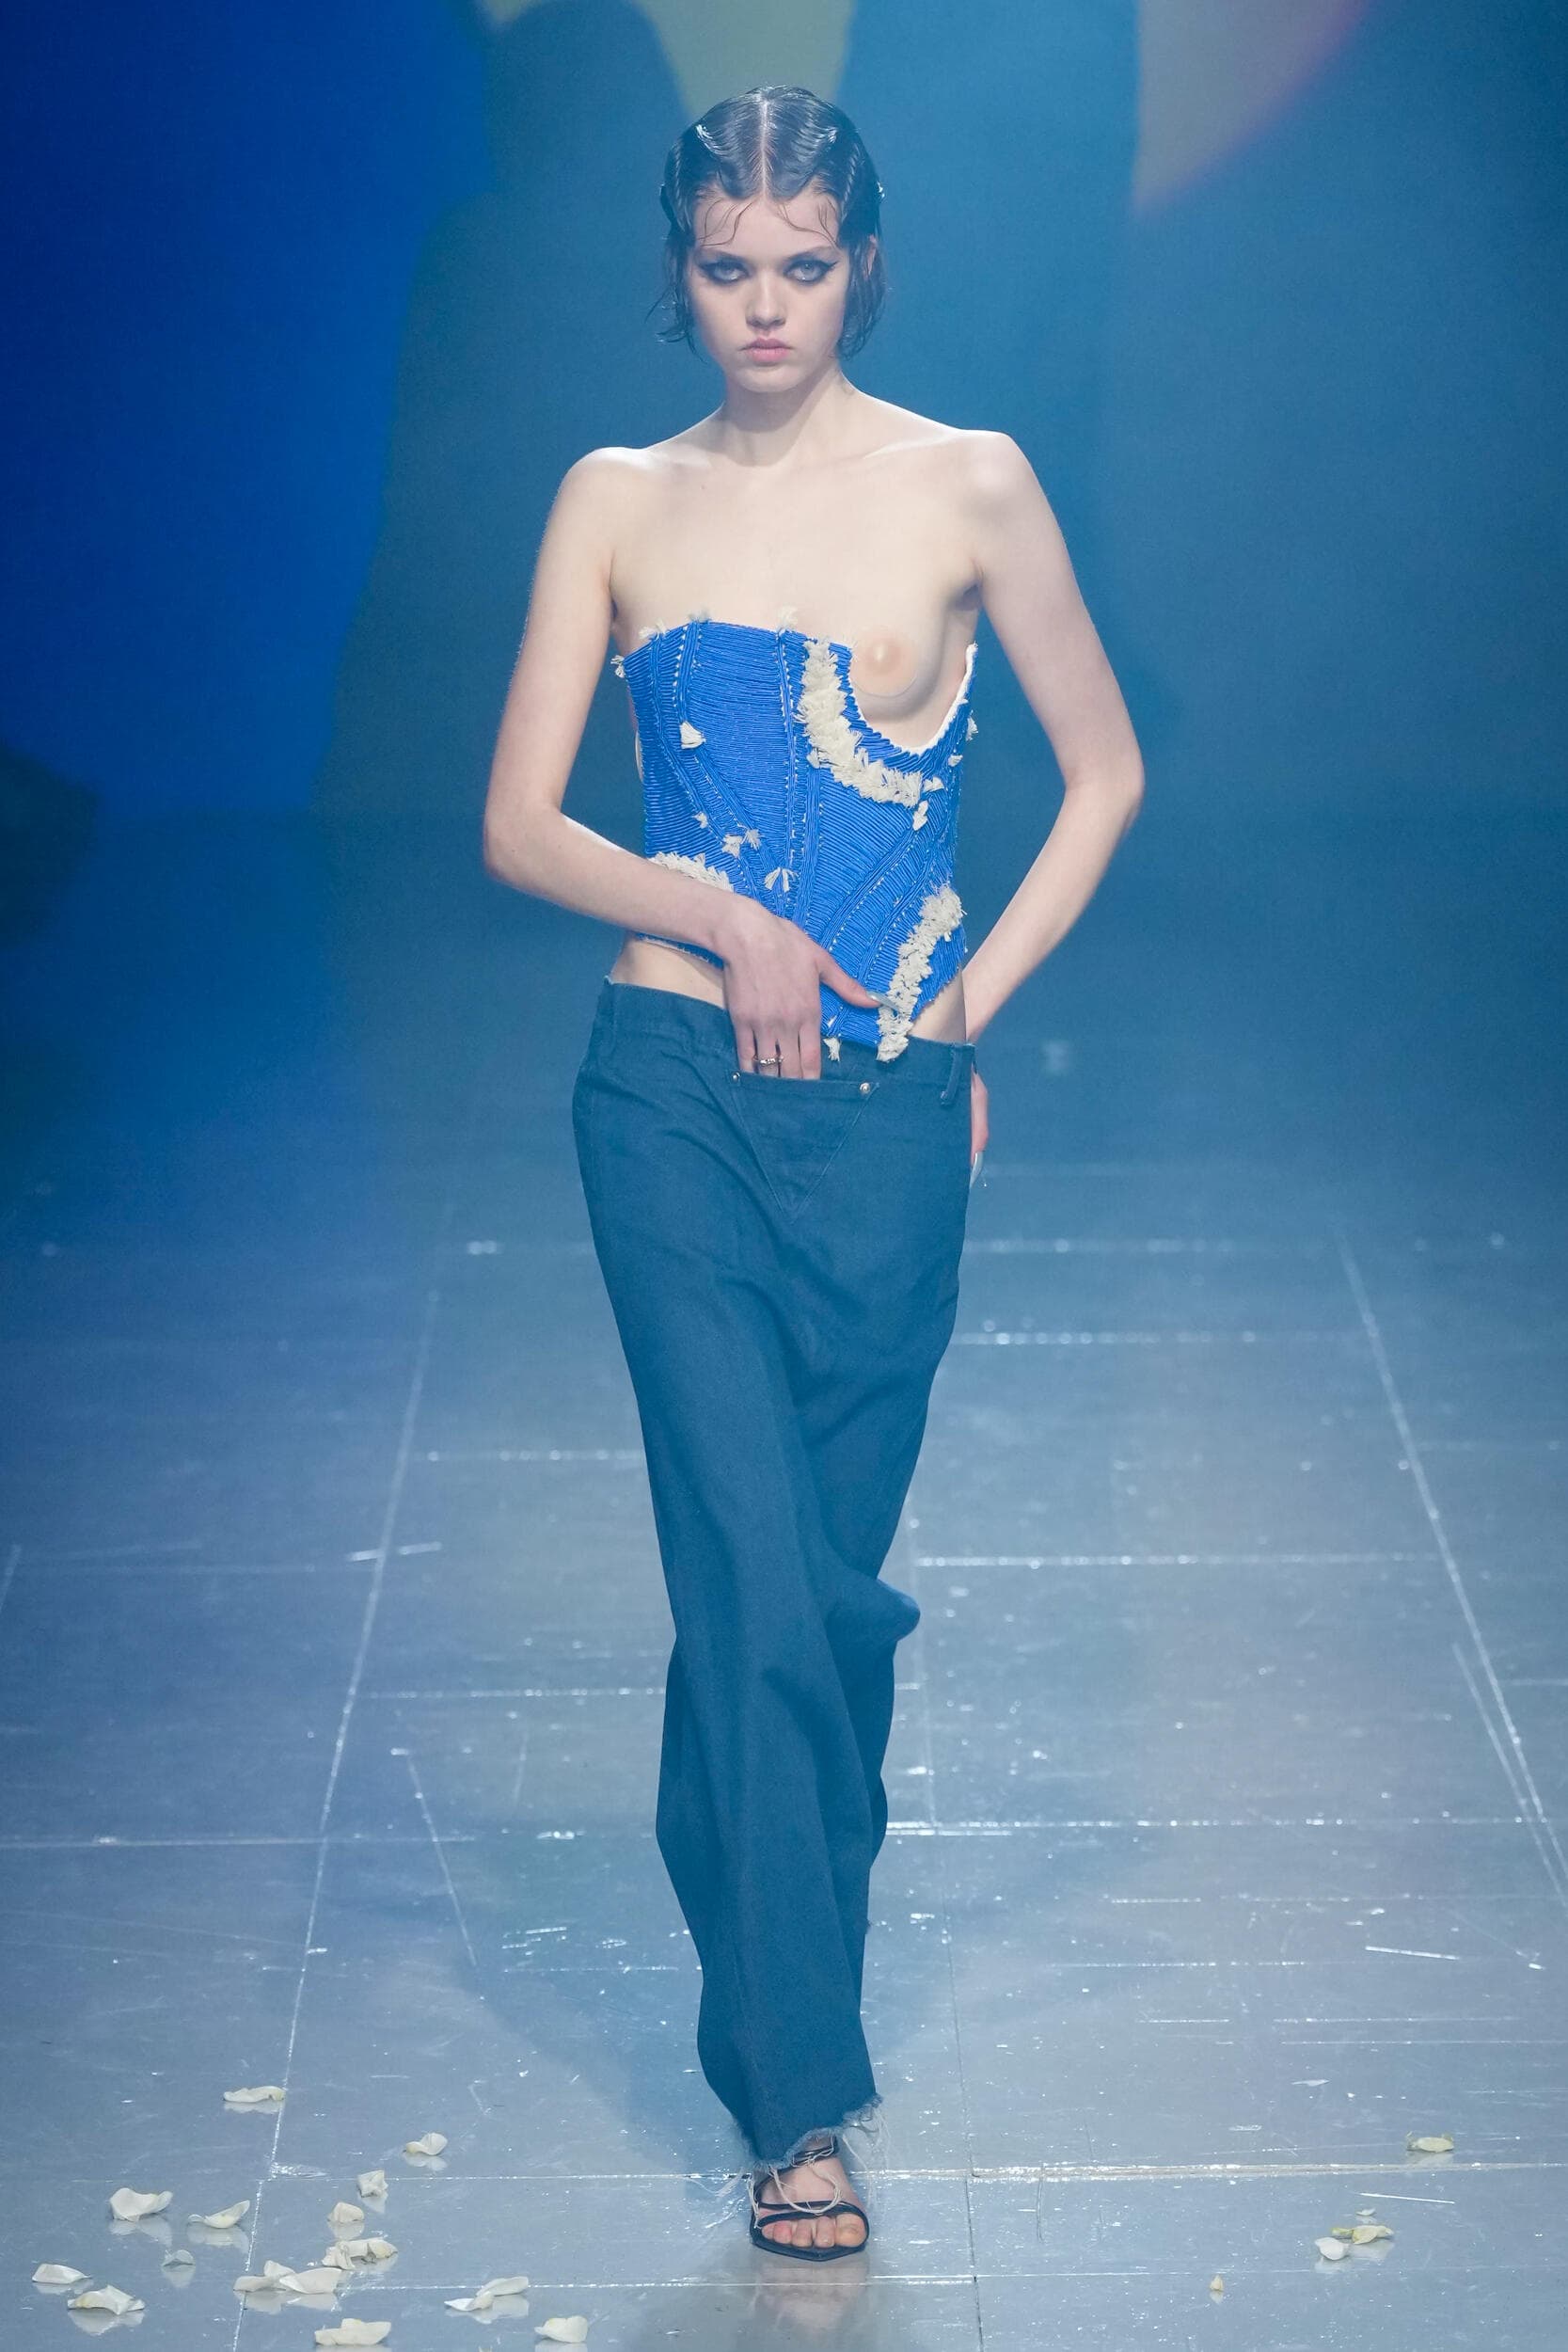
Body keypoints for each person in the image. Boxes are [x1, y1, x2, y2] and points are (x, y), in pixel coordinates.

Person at [482, 83, 1144, 2262]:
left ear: (859, 262)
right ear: (677, 273)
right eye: (723, 266)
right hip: (669, 1087)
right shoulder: (615, 498)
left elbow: (1105, 770)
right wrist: (725, 914)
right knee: (753, 1587)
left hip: (886, 1120)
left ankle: (786, 1958)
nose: (763, 305)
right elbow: (520, 822)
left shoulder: (970, 482)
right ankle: (798, 2102)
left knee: (824, 1612)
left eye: (800, 264)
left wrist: (966, 1007)